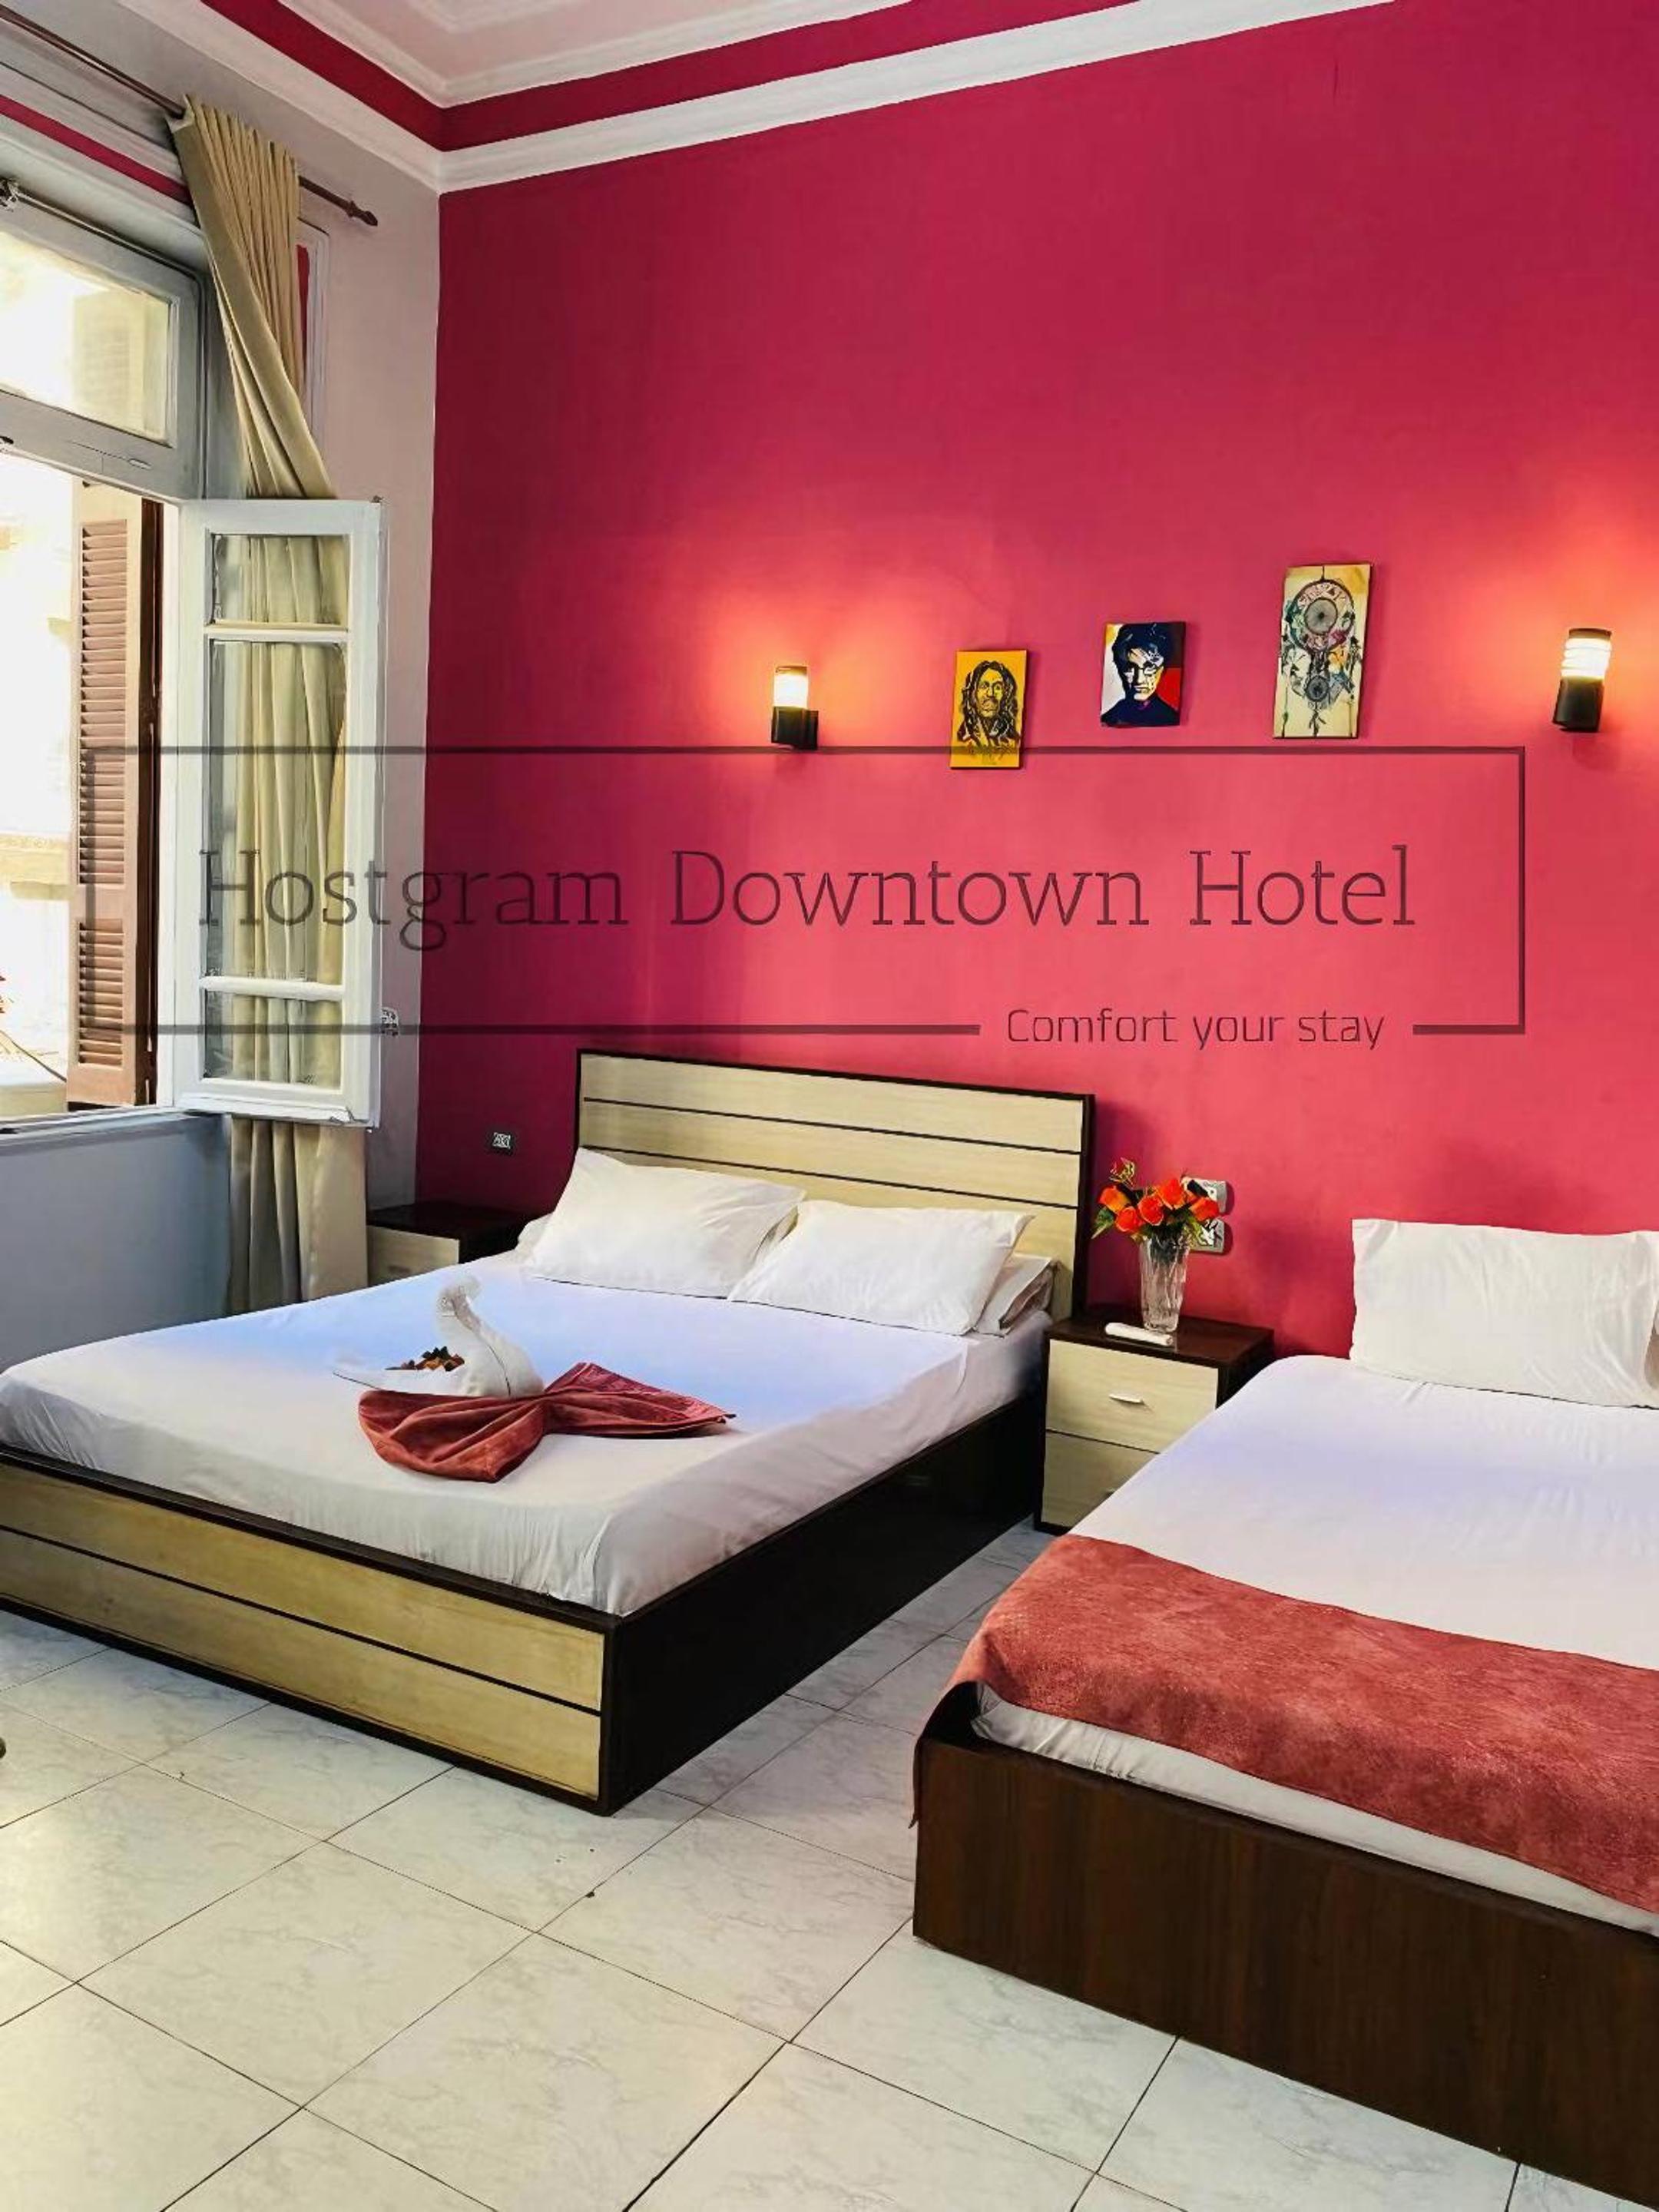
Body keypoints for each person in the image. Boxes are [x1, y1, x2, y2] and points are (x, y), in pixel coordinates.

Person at [1103, 623, 1181, 727]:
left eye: (1150, 667)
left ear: (1163, 670)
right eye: (1130, 668)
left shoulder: (1171, 719)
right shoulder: (1108, 720)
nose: (1139, 680)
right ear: (1119, 668)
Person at [955, 657, 1022, 749]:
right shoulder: (962, 735)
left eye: (998, 687)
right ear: (973, 693)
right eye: (984, 686)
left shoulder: (1011, 738)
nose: (991, 693)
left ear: (1005, 695)